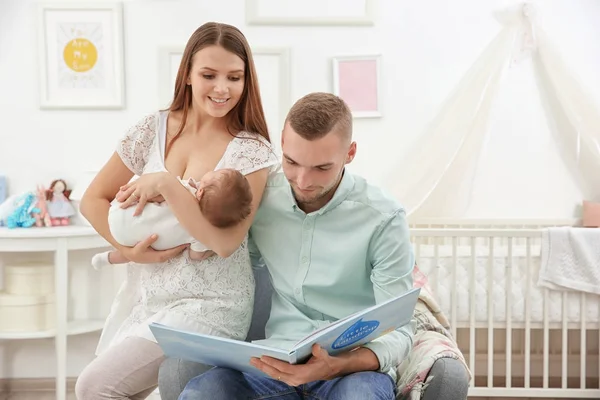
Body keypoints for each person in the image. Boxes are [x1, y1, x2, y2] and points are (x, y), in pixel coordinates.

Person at [75, 22, 278, 400]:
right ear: (186, 74)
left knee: (93, 386)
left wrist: (167, 184)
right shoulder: (152, 129)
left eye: (234, 77)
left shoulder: (251, 152)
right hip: (150, 301)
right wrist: (131, 248)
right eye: (209, 75)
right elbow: (93, 199)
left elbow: (224, 243)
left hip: (211, 305)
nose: (222, 88)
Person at [178, 92, 416, 400]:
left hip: (349, 371)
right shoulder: (260, 196)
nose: (302, 181)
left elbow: (399, 330)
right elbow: (225, 256)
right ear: (282, 143)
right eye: (291, 162)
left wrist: (335, 366)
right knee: (202, 393)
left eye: (321, 168)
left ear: (350, 153)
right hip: (272, 362)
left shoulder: (384, 218)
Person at [91, 168, 253, 269]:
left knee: (140, 247)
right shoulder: (203, 236)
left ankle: (107, 257)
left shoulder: (184, 190)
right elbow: (195, 256)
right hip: (133, 240)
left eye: (217, 173)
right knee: (149, 247)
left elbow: (156, 194)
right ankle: (108, 259)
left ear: (201, 191)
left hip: (119, 214)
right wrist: (206, 253)